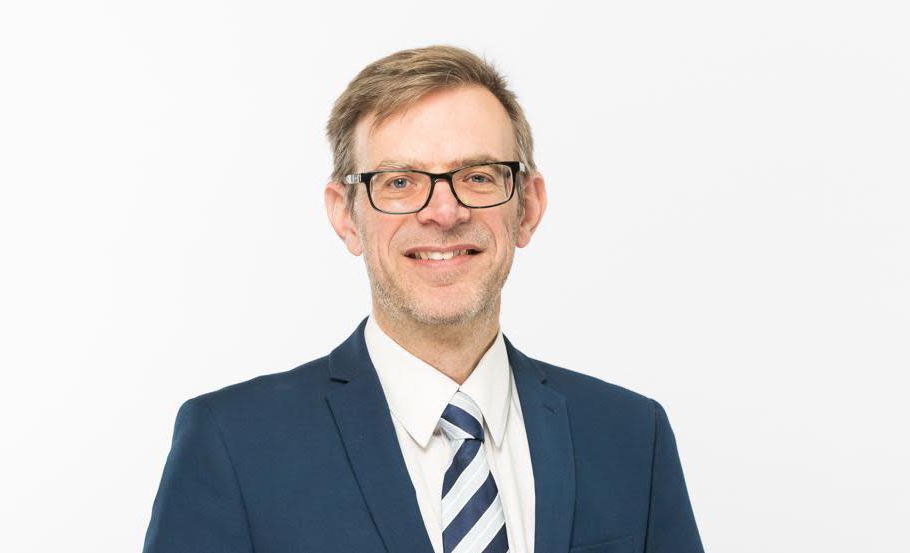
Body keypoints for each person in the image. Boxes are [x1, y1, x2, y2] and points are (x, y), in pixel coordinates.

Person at [142, 45, 705, 553]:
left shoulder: (631, 435)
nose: (443, 212)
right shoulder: (234, 443)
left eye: (479, 176)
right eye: (400, 182)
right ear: (346, 215)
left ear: (527, 208)